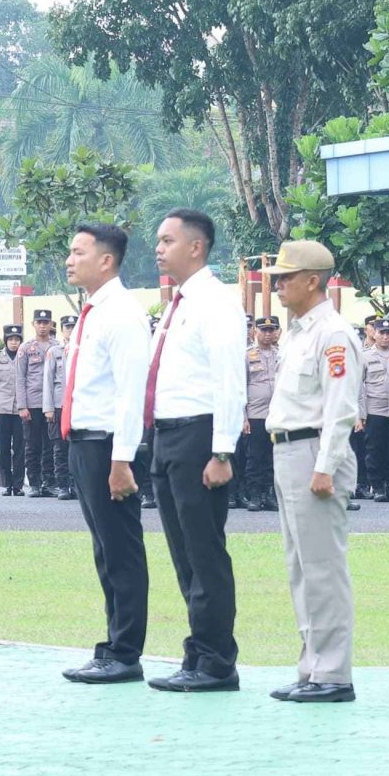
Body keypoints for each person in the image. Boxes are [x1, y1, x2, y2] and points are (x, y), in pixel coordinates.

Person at [135, 209, 246, 694]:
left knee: (204, 554)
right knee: (184, 554)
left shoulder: (216, 302)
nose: (158, 248)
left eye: (167, 240)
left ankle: (218, 660)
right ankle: (198, 653)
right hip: (167, 437)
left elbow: (228, 380)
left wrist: (222, 451)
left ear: (196, 247)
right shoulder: (177, 303)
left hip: (200, 436)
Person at [263, 240, 363, 703]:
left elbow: (340, 409)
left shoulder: (333, 333)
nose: (278, 285)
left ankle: (333, 674)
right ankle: (311, 667)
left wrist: (325, 467)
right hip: (287, 450)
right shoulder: (297, 332)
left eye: (285, 277)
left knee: (323, 568)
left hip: (313, 453)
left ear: (312, 280)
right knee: (300, 567)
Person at [59, 222, 153, 685]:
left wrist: (122, 460)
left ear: (106, 260)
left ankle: (125, 651)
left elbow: (130, 393)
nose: (69, 260)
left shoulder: (122, 314)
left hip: (106, 446)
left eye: (78, 252)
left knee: (121, 551)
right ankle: (113, 645)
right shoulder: (94, 311)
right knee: (105, 551)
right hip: (85, 443)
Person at [239, 316, 279, 512]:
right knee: (255, 457)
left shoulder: (280, 355)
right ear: (255, 331)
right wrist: (243, 417)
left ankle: (269, 493)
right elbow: (241, 387)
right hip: (255, 414)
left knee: (273, 457)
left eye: (272, 330)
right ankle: (254, 494)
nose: (268, 333)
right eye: (264, 330)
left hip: (277, 415)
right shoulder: (247, 355)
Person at [356, 315, 389, 502]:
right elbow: (358, 387)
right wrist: (360, 414)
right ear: (375, 334)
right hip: (374, 408)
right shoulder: (365, 356)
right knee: (375, 450)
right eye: (382, 333)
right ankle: (377, 486)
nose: (386, 337)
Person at [20, 310, 55, 497]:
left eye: (46, 322)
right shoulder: (26, 348)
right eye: (39, 322)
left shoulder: (57, 347)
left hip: (52, 404)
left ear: (51, 324)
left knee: (50, 444)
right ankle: (34, 482)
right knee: (32, 445)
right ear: (33, 324)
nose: (42, 326)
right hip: (32, 402)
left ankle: (48, 482)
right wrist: (22, 406)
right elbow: (20, 378)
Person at [42, 313, 77, 497]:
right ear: (62, 329)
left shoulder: (83, 349)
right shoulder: (54, 351)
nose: (70, 330)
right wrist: (48, 408)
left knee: (76, 446)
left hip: (77, 405)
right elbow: (48, 380)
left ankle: (75, 485)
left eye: (73, 326)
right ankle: (62, 485)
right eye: (67, 327)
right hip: (58, 404)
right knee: (59, 447)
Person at [0, 323, 26, 493]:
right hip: (2, 409)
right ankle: (7, 484)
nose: (14, 342)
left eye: (17, 339)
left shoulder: (24, 356)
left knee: (20, 448)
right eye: (11, 339)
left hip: (20, 409)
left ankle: (18, 485)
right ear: (5, 341)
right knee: (3, 448)